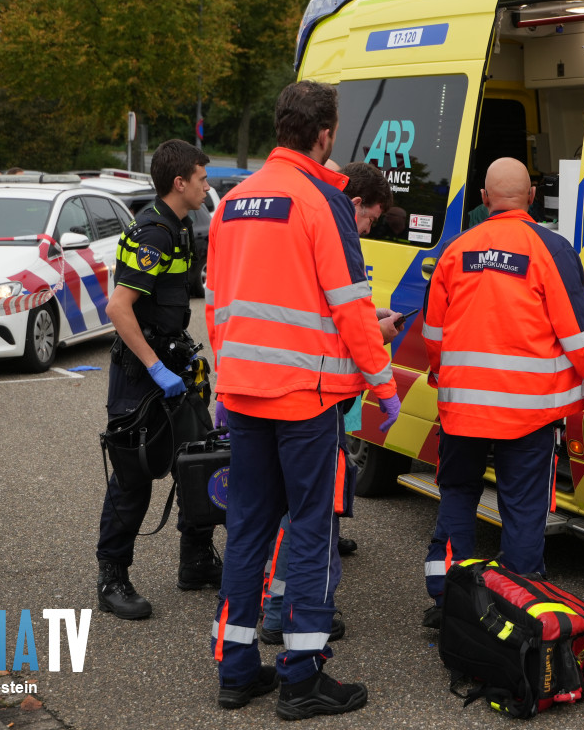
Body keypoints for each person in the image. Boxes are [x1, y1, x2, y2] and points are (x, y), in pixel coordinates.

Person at [206, 81, 400, 719]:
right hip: (304, 399)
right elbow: (350, 304)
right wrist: (382, 382)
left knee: (247, 532)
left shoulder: (230, 202)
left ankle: (236, 670)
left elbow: (218, 305)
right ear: (324, 135)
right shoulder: (322, 202)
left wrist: (222, 381)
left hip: (245, 393)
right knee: (311, 530)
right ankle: (302, 677)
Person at [419, 157, 584, 628]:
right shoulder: (552, 249)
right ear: (531, 197)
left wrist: (441, 375)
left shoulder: (456, 250)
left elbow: (433, 332)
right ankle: (517, 606)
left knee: (458, 494)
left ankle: (449, 600)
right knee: (523, 509)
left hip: (463, 409)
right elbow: (578, 332)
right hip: (529, 413)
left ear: (484, 200)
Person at [256, 160, 400, 646]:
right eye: (370, 221)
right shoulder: (330, 229)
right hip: (313, 396)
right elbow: (334, 324)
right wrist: (383, 378)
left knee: (286, 510)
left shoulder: (273, 218)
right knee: (309, 514)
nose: (366, 230)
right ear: (355, 204)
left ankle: (276, 609)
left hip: (266, 390)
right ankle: (289, 616)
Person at [95, 139, 222, 620]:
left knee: (200, 464)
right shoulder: (154, 232)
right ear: (180, 182)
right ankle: (112, 577)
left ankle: (195, 561)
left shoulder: (181, 226)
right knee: (133, 480)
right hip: (141, 376)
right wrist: (154, 367)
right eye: (203, 179)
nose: (207, 186)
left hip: (173, 365)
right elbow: (118, 308)